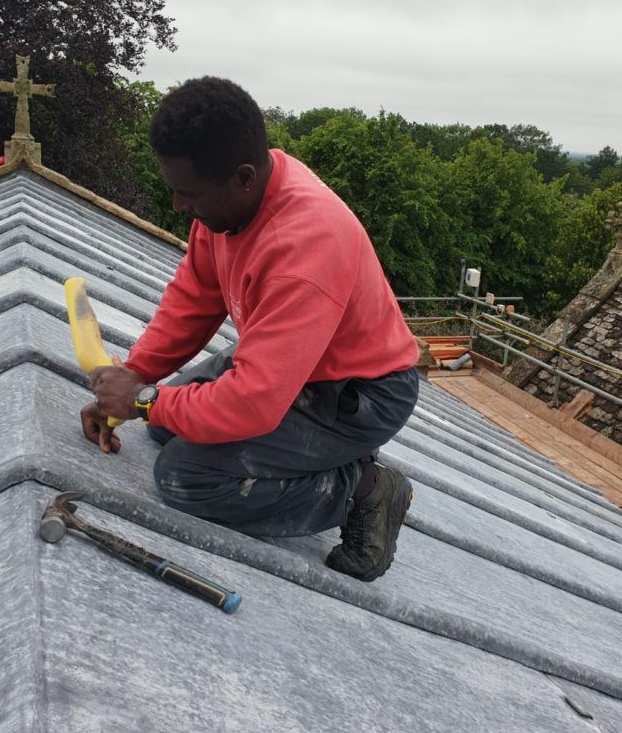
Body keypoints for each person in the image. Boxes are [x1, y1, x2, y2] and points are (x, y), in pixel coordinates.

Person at [82, 77, 419, 581]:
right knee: (164, 424)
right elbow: (193, 299)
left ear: (243, 177)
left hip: (357, 395)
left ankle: (363, 487)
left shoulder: (305, 246)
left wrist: (143, 398)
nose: (178, 207)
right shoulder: (230, 204)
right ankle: (313, 455)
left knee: (184, 478)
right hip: (292, 367)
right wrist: (133, 376)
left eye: (187, 194)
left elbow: (255, 402)